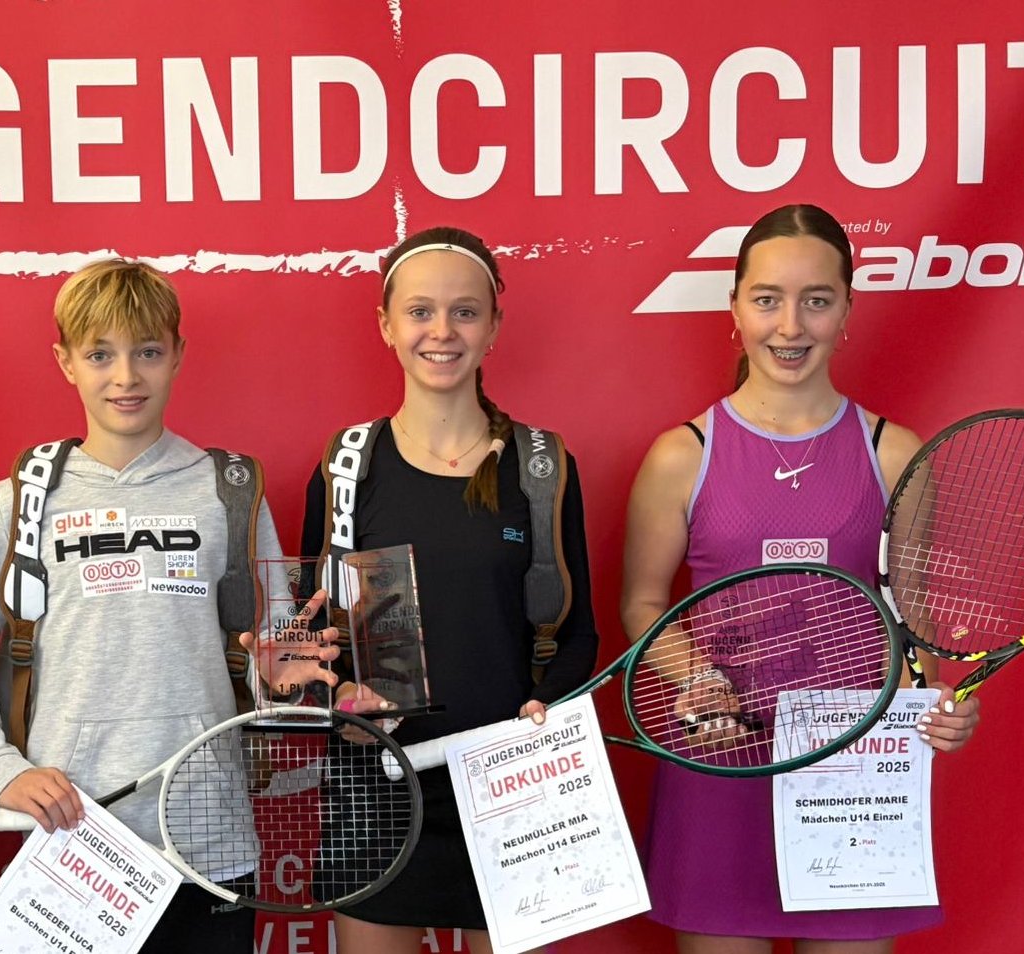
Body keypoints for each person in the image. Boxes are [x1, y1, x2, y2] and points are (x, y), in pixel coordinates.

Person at [620, 203, 982, 954]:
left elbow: (912, 623)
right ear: (734, 308)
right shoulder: (681, 456)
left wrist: (934, 703)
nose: (790, 325)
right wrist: (697, 679)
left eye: (816, 300)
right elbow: (643, 604)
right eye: (767, 299)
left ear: (846, 310)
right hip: (721, 760)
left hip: (853, 774)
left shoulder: (894, 454)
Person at [0, 259, 309, 951]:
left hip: (209, 839)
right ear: (65, 362)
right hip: (71, 840)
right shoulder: (22, 498)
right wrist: (1, 771)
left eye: (147, 352)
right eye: (100, 355)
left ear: (178, 354)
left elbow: (280, 656)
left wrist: (283, 682)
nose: (126, 377)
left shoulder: (230, 490)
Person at [299, 226, 601, 953]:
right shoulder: (346, 468)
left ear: (494, 325)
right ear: (386, 325)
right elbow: (307, 633)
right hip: (377, 785)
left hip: (514, 785)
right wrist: (334, 699)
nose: (442, 331)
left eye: (465, 312)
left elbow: (579, 631)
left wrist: (546, 708)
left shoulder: (541, 467)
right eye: (420, 311)